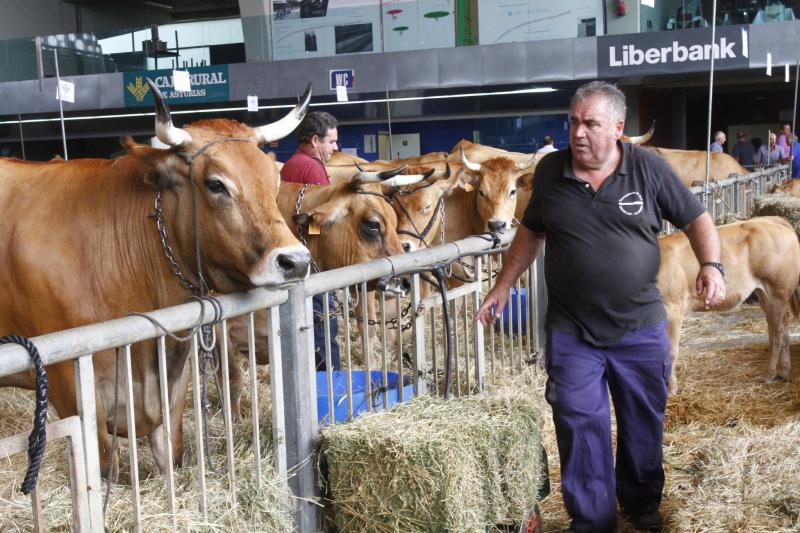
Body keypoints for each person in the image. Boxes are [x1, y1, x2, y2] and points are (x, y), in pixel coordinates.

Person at [476, 81, 725, 533]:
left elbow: (696, 218)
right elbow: (531, 232)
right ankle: (592, 520)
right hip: (573, 332)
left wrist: (711, 264)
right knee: (578, 424)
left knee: (642, 421)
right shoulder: (551, 173)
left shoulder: (648, 169)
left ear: (617, 127)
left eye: (590, 123)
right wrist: (503, 284)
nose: (578, 132)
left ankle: (642, 501)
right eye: (573, 122)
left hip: (640, 327)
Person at [280, 111, 341, 371]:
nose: (336, 148)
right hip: (311, 260)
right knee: (325, 323)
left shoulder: (290, 164)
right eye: (331, 141)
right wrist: (321, 246)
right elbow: (318, 219)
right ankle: (331, 379)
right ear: (315, 140)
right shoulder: (312, 168)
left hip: (291, 255)